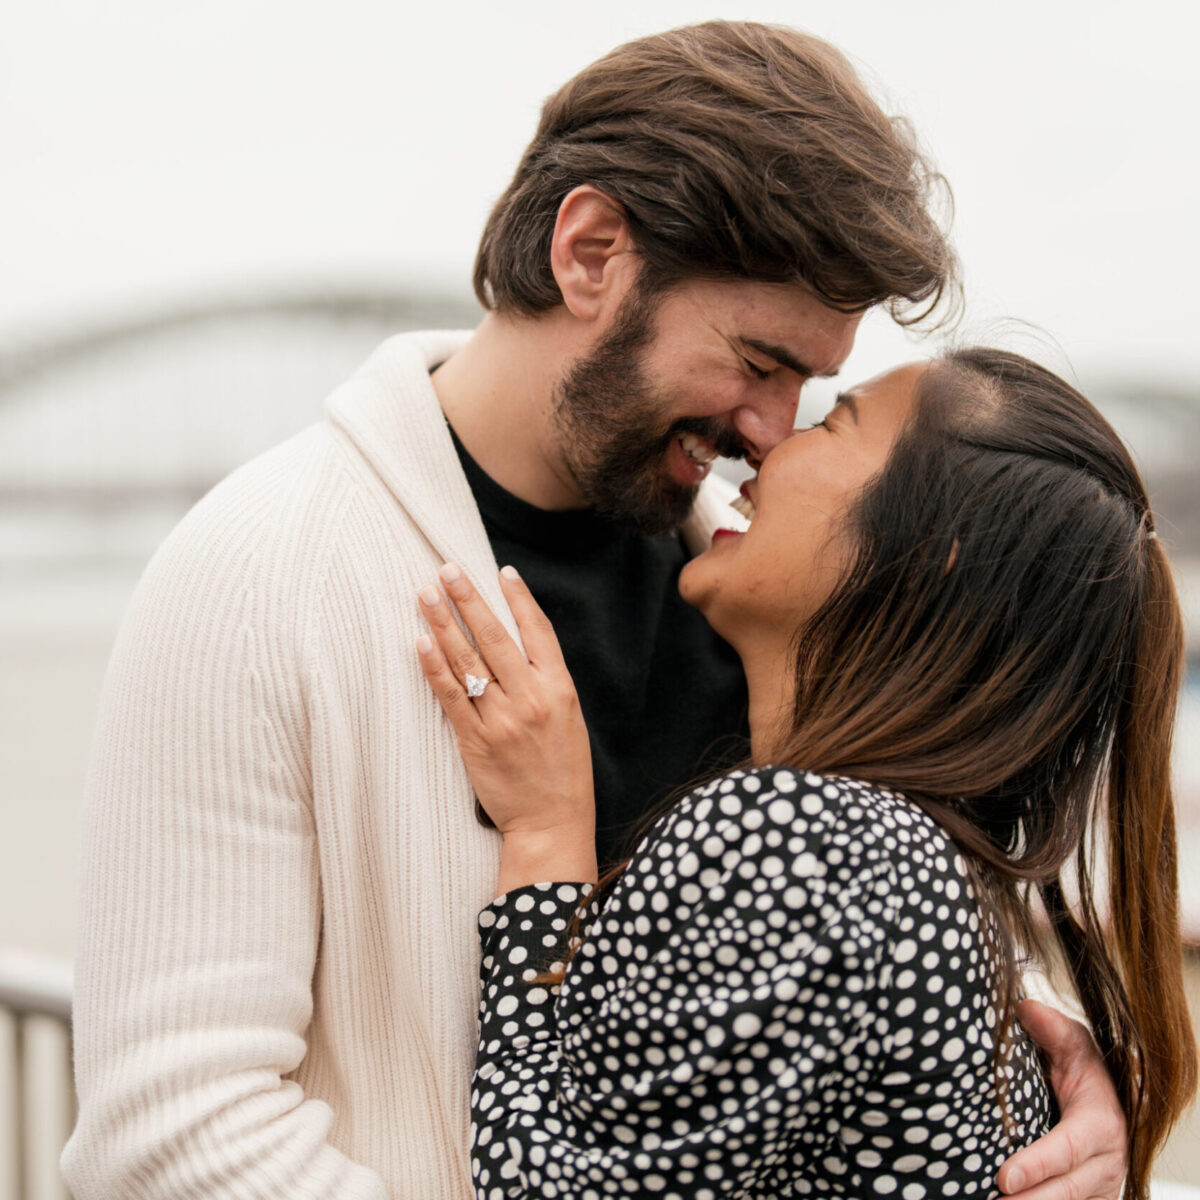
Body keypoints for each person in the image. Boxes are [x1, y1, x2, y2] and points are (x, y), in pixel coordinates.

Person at [63, 22, 1127, 1200]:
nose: (771, 432)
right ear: (590, 254)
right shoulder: (257, 574)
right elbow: (171, 1136)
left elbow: (855, 941)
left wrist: (1044, 1093)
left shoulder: (770, 591)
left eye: (811, 389)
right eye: (759, 361)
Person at [417, 350, 1199, 1200]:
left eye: (833, 423)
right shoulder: (917, 857)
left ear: (928, 550)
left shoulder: (804, 839)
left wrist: (545, 835)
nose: (772, 444)